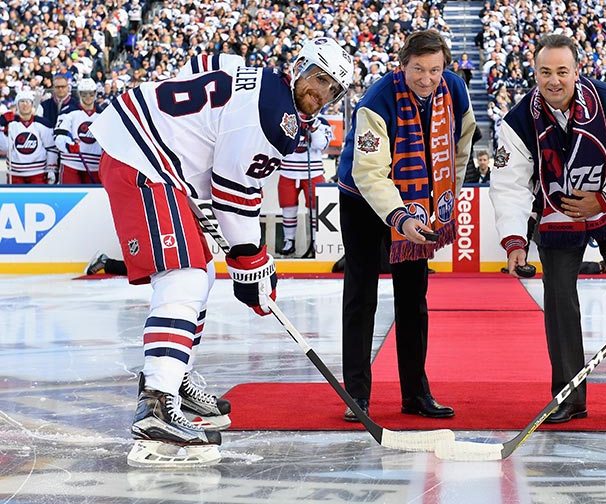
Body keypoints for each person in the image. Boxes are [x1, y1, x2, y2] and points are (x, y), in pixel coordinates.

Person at [91, 37, 353, 468]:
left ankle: (175, 377)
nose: (321, 93)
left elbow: (200, 62)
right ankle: (156, 402)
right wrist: (252, 263)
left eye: (332, 90)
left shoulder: (255, 75)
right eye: (319, 79)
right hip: (143, 159)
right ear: (300, 66)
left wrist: (250, 261)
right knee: (185, 275)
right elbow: (234, 196)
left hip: (150, 152)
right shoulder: (277, 118)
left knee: (203, 274)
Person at [489, 34, 606, 426]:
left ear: (576, 72)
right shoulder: (518, 122)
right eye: (546, 72)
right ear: (534, 73)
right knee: (559, 301)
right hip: (558, 211)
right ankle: (569, 396)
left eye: (562, 72)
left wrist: (604, 199)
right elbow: (510, 185)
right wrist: (515, 240)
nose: (554, 81)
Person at [337, 29, 477, 422]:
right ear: (403, 66)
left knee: (413, 299)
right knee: (361, 297)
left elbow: (461, 143)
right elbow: (370, 173)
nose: (427, 79)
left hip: (418, 202)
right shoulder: (376, 100)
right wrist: (401, 217)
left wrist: (446, 195)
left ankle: (415, 394)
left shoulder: (455, 90)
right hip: (364, 200)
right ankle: (357, 396)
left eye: (435, 69)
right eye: (418, 69)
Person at [276, 116, 334, 256]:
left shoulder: (321, 122)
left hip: (313, 172)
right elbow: (280, 142)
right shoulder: (285, 118)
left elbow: (321, 145)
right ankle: (289, 242)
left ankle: (315, 242)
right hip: (288, 171)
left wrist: (312, 126)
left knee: (315, 208)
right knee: (288, 207)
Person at [54, 78, 105, 184]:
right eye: (84, 94)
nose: (88, 97)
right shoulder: (68, 111)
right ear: (79, 94)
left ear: (95, 94)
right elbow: (59, 135)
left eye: (91, 94)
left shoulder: (103, 115)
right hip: (71, 163)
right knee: (69, 199)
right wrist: (68, 146)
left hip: (94, 165)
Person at [0, 90, 57, 184]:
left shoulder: (42, 123)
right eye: (22, 101)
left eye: (28, 101)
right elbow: (6, 147)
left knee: (38, 199)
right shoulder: (11, 124)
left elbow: (51, 148)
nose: (25, 104)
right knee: (16, 199)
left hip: (38, 173)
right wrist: (1, 126)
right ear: (17, 105)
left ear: (32, 104)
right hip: (15, 173)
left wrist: (51, 169)